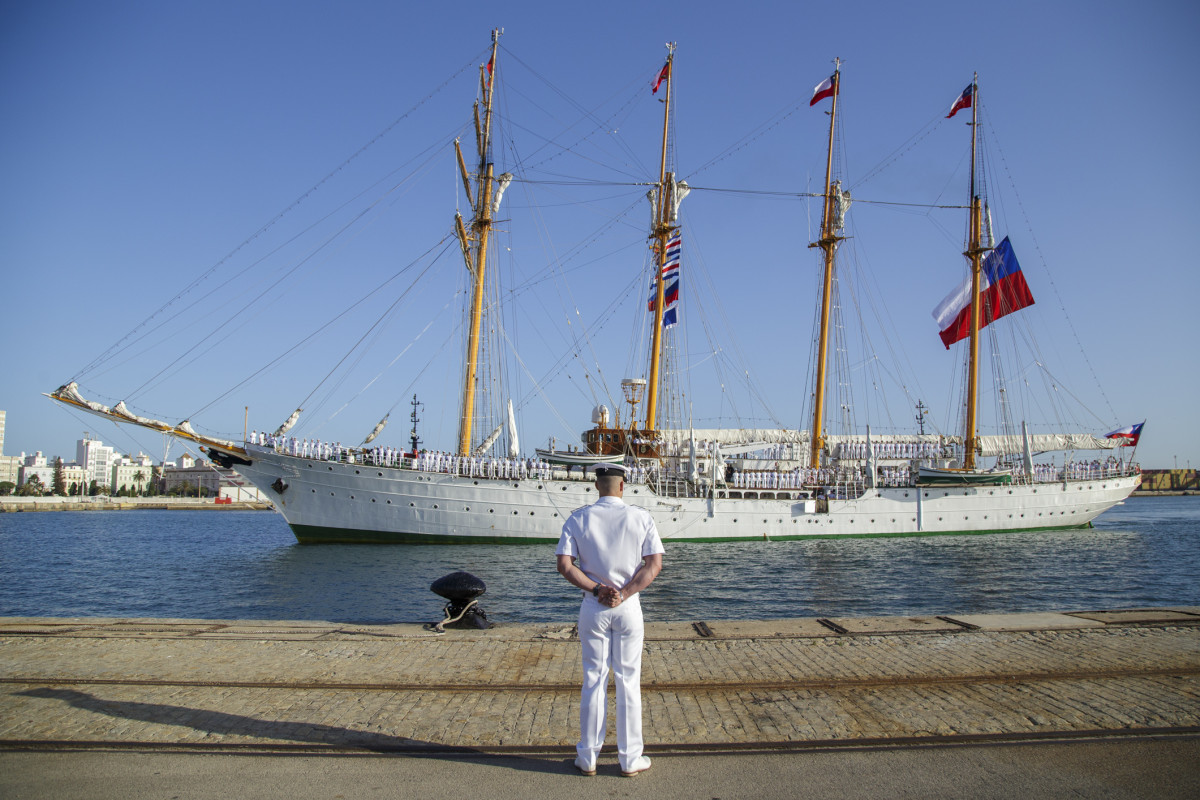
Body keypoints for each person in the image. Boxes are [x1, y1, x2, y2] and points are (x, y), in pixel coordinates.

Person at [556, 463, 664, 778]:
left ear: (596, 486)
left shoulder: (578, 518)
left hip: (594, 607)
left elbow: (565, 565)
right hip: (628, 608)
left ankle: (587, 757)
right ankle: (631, 760)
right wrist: (625, 592)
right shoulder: (641, 517)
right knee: (629, 681)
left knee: (594, 679)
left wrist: (598, 589)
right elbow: (654, 564)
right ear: (621, 487)